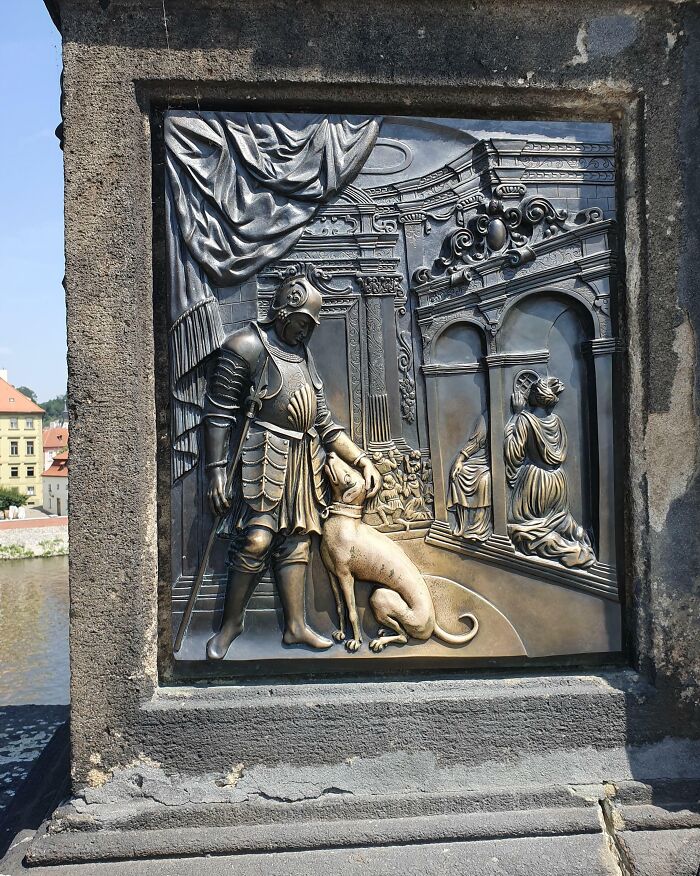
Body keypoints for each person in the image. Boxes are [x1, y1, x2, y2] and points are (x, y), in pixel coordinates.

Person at [202, 275, 381, 659]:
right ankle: (231, 624)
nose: (307, 333)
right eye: (303, 323)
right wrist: (215, 469)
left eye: (311, 327)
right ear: (285, 311)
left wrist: (362, 460)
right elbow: (218, 413)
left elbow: (327, 426)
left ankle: (295, 627)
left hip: (302, 460)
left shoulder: (303, 357)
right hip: (260, 452)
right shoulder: (246, 347)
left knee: (297, 543)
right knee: (256, 541)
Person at [504, 376, 595, 568]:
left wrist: (514, 416)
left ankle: (571, 551)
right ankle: (578, 536)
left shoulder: (525, 420)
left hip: (536, 482)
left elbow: (514, 455)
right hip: (558, 481)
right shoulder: (557, 421)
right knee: (559, 519)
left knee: (527, 531)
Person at [447, 416, 492, 542]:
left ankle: (479, 528)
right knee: (458, 475)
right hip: (476, 460)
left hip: (489, 463)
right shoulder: (484, 418)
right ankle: (463, 525)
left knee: (485, 480)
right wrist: (459, 460)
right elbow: (477, 441)